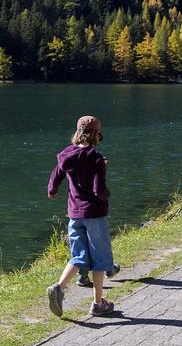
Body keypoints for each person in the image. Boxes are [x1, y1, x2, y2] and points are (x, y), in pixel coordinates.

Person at [46, 115, 116, 318]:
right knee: (100, 259)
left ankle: (58, 287)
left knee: (78, 256)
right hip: (94, 214)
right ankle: (97, 303)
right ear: (96, 135)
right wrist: (106, 195)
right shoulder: (95, 158)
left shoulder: (66, 155)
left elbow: (56, 174)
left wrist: (52, 190)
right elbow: (98, 189)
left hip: (74, 214)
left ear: (78, 133)